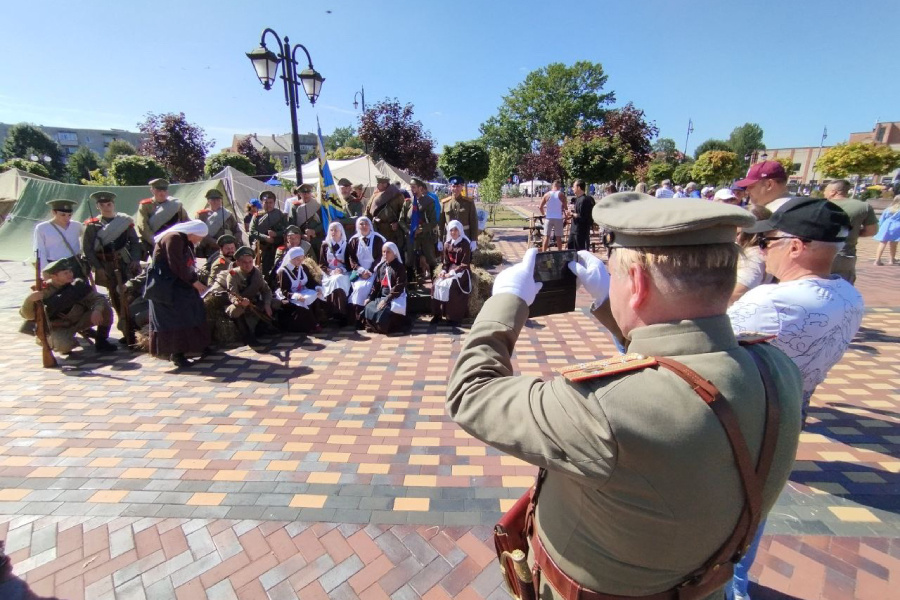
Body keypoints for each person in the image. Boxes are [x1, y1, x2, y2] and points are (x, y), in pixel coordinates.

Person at [446, 193, 803, 600]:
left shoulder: (602, 408)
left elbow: (471, 393)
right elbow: (678, 358)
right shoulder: (776, 368)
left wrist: (505, 301)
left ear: (635, 284)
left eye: (615, 276)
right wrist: (608, 303)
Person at [726, 198, 864, 600]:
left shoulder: (772, 301)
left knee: (729, 510)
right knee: (759, 502)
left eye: (767, 240)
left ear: (797, 245)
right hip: (793, 407)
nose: (760, 248)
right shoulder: (850, 296)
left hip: (745, 415)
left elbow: (698, 348)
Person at [147, 220, 211, 368]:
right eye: (200, 237)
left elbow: (187, 264)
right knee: (176, 319)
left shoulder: (184, 240)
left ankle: (198, 346)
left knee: (194, 309)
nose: (200, 241)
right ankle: (177, 354)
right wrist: (194, 282)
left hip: (178, 283)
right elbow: (176, 264)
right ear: (194, 233)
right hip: (166, 287)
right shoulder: (173, 238)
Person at [81, 191, 142, 344]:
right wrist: (98, 268)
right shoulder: (93, 225)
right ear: (97, 206)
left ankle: (132, 327)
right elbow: (87, 249)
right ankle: (125, 330)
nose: (106, 207)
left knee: (130, 293)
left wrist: (136, 259)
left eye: (109, 204)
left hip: (125, 263)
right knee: (115, 296)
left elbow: (135, 242)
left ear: (113, 205)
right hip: (106, 265)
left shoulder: (124, 221)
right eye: (102, 205)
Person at [20, 259, 116, 354]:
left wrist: (97, 310)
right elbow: (29, 316)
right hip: (58, 327)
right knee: (64, 346)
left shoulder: (77, 286)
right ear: (54, 276)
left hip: (79, 320)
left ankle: (101, 340)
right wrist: (29, 300)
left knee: (105, 309)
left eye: (70, 271)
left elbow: (99, 298)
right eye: (65, 273)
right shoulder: (44, 291)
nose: (70, 274)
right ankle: (52, 341)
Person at [823, 179, 877, 282]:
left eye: (826, 190)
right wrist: (854, 232)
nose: (824, 193)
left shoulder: (820, 205)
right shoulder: (863, 207)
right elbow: (872, 231)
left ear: (834, 192)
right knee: (843, 290)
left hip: (819, 254)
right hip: (845, 254)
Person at [225, 246, 276, 347]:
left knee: (276, 303)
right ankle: (247, 335)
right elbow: (232, 294)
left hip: (254, 303)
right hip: (241, 303)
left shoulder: (257, 273)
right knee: (236, 310)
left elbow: (266, 291)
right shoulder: (233, 274)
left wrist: (267, 304)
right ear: (238, 263)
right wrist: (239, 301)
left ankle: (263, 327)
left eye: (250, 262)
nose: (248, 265)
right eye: (244, 262)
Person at [400, 176, 440, 286]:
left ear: (420, 188)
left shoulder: (429, 202)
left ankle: (435, 284)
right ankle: (411, 284)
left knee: (431, 260)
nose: (412, 189)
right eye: (411, 187)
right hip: (411, 236)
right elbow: (401, 220)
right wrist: (408, 231)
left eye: (414, 187)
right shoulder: (407, 203)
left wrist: (421, 229)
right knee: (409, 261)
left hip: (425, 236)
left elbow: (434, 221)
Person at [431, 220, 471, 326]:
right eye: (451, 230)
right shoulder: (447, 244)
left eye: (455, 230)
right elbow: (446, 262)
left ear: (460, 231)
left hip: (462, 271)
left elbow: (464, 264)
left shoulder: (465, 244)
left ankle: (453, 317)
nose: (453, 232)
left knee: (452, 286)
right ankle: (437, 314)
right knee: (436, 284)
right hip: (449, 270)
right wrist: (443, 271)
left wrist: (452, 273)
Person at [362, 241, 408, 334]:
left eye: (388, 252)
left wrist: (386, 300)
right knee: (368, 306)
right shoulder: (381, 267)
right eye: (383, 252)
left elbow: (398, 287)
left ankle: (382, 328)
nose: (385, 254)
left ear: (394, 253)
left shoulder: (400, 268)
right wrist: (370, 298)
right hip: (382, 297)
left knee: (383, 312)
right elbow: (377, 285)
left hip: (394, 297)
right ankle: (375, 327)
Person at [730, 205, 772, 304]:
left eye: (738, 233)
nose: (735, 237)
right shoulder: (761, 251)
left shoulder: (754, 255)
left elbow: (738, 291)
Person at [347, 216, 385, 326]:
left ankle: (369, 318)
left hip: (375, 270)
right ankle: (358, 318)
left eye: (366, 224)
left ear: (370, 225)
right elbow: (351, 258)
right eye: (361, 224)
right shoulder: (353, 240)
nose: (364, 226)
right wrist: (360, 270)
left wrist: (370, 271)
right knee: (358, 288)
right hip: (360, 272)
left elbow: (381, 257)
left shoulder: (378, 239)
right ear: (357, 226)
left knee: (369, 287)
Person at [276, 246, 324, 333]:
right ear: (291, 259)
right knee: (302, 303)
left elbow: (310, 282)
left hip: (303, 291)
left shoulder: (303, 268)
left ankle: (318, 321)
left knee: (316, 297)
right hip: (290, 295)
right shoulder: (283, 271)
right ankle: (313, 325)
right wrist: (296, 296)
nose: (300, 261)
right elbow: (284, 290)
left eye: (301, 259)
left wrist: (317, 288)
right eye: (298, 259)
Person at [32, 199, 85, 276]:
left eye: (69, 215)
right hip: (54, 264)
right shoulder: (42, 228)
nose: (67, 218)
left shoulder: (77, 225)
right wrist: (45, 270)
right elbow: (39, 250)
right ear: (54, 212)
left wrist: (82, 252)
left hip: (74, 263)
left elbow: (86, 239)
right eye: (63, 215)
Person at [137, 178, 189, 257]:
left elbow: (185, 221)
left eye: (164, 191)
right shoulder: (146, 205)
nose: (162, 193)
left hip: (175, 240)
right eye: (158, 191)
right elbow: (143, 227)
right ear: (152, 190)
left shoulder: (174, 205)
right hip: (155, 242)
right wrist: (155, 242)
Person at [319, 221, 352, 325]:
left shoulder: (346, 245)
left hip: (344, 272)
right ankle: (336, 312)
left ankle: (340, 312)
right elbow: (322, 264)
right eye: (331, 230)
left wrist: (341, 270)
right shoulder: (325, 245)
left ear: (341, 232)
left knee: (339, 280)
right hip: (329, 273)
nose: (333, 232)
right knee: (334, 281)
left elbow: (350, 263)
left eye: (336, 230)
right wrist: (331, 271)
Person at [248, 190, 287, 276]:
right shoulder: (257, 216)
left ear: (274, 203)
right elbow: (252, 231)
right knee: (265, 272)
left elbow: (286, 230)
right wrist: (265, 237)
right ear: (262, 203)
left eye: (270, 202)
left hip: (278, 248)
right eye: (266, 202)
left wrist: (276, 234)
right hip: (264, 249)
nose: (268, 205)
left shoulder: (280, 215)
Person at [195, 188, 242, 257]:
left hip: (230, 249)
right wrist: (218, 244)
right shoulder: (202, 215)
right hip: (211, 249)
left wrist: (232, 242)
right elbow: (201, 233)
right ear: (208, 201)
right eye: (213, 200)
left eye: (218, 200)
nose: (216, 202)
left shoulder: (228, 214)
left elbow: (237, 231)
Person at [439, 175, 479, 249]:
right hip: (449, 238)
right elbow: (441, 224)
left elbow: (474, 222)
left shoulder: (469, 203)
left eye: (458, 186)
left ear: (462, 187)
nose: (455, 189)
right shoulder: (445, 203)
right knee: (449, 259)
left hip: (465, 237)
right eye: (453, 186)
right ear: (450, 187)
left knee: (465, 259)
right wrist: (440, 240)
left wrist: (474, 240)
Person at [365, 175, 405, 247]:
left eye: (379, 183)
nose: (377, 185)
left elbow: (404, 212)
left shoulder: (397, 195)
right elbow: (368, 211)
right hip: (376, 229)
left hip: (391, 231)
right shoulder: (374, 195)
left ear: (385, 184)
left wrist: (397, 223)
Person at [288, 183, 324, 259]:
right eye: (304, 193)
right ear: (299, 194)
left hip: (318, 239)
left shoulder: (318, 205)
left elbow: (325, 222)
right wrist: (301, 235)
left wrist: (314, 231)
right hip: (302, 240)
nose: (306, 195)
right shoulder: (295, 206)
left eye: (308, 193)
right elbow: (292, 225)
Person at [539, 180, 569, 252]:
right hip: (558, 217)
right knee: (558, 237)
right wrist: (563, 209)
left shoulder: (546, 195)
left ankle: (544, 252)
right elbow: (566, 207)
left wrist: (544, 214)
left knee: (546, 236)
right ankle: (559, 252)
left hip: (549, 217)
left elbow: (540, 207)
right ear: (558, 186)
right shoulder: (561, 195)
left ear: (552, 186)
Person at [567, 179, 595, 251]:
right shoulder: (577, 199)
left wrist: (572, 214)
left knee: (580, 252)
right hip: (574, 230)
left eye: (574, 187)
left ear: (579, 187)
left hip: (580, 231)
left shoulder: (584, 200)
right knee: (570, 250)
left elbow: (583, 216)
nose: (572, 189)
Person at [873, 194, 900, 265]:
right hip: (897, 227)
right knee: (894, 244)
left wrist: (879, 227)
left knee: (882, 243)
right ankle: (892, 260)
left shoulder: (888, 209)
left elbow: (882, 219)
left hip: (886, 226)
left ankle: (877, 260)